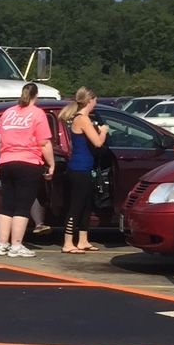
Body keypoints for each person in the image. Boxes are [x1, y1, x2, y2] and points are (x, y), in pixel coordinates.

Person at [0, 83, 55, 257]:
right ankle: (16, 245)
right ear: (36, 96)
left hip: (6, 161)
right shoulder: (37, 114)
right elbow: (44, 142)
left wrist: (1, 158)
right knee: (22, 205)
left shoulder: (7, 113)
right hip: (28, 162)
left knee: (7, 205)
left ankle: (2, 244)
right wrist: (51, 164)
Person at [59, 88, 108, 253]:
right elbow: (98, 143)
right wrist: (104, 132)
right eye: (95, 100)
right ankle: (67, 242)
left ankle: (83, 240)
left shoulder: (82, 118)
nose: (96, 103)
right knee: (76, 206)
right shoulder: (83, 119)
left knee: (87, 205)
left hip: (85, 167)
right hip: (79, 168)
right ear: (90, 101)